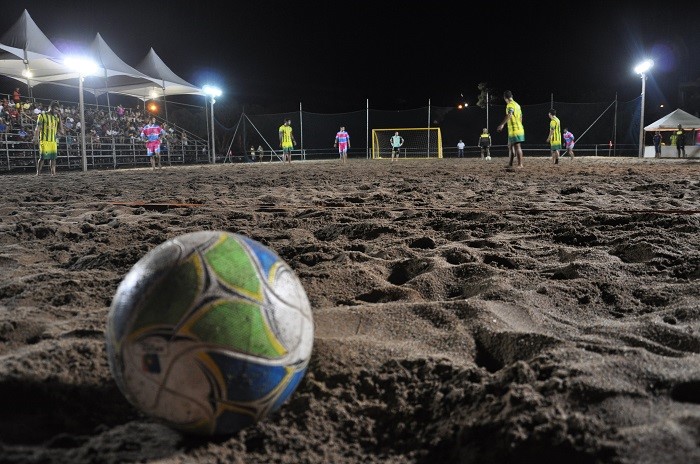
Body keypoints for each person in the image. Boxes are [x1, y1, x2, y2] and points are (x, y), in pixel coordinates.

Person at [497, 90, 525, 168]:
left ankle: (520, 164)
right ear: (511, 96)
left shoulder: (510, 105)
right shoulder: (517, 105)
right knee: (510, 146)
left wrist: (502, 124)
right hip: (516, 129)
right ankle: (510, 164)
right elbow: (521, 117)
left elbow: (509, 114)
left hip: (515, 129)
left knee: (517, 146)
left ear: (505, 98)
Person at [34, 101, 63, 176]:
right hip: (44, 140)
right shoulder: (42, 115)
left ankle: (53, 173)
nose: (56, 111)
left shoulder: (55, 117)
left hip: (53, 140)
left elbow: (61, 130)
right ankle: (38, 173)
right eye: (55, 109)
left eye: (57, 110)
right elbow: (38, 128)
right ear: (51, 108)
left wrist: (60, 117)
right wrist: (36, 137)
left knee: (53, 158)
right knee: (42, 157)